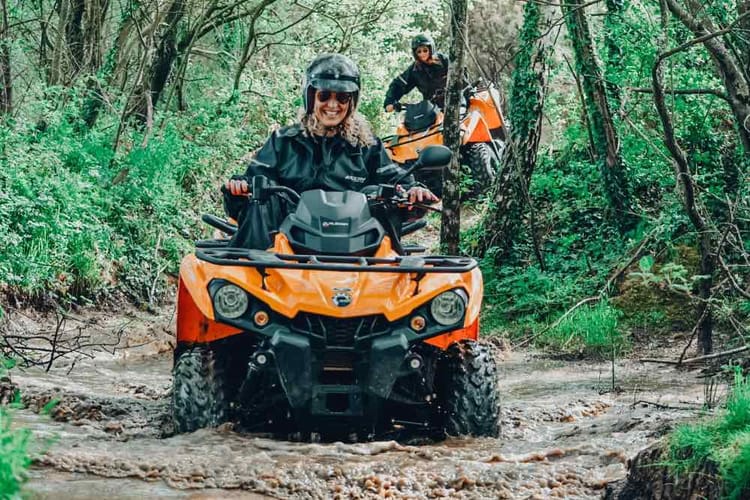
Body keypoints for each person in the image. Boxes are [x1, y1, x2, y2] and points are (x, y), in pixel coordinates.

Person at [224, 53, 437, 248]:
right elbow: (254, 180)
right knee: (262, 196)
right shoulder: (283, 141)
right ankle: (250, 274)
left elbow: (396, 180)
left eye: (342, 97)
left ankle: (389, 278)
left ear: (352, 101)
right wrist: (239, 187)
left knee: (380, 197)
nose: (333, 105)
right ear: (310, 97)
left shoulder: (367, 145)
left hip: (359, 246)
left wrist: (414, 191)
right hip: (287, 243)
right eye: (324, 96)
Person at [384, 34, 450, 111]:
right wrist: (389, 102)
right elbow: (400, 84)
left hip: (455, 103)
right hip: (432, 108)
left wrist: (467, 96)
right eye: (419, 51)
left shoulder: (444, 60)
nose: (422, 54)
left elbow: (461, 77)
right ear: (415, 53)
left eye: (425, 50)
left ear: (431, 49)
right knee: (407, 122)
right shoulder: (415, 70)